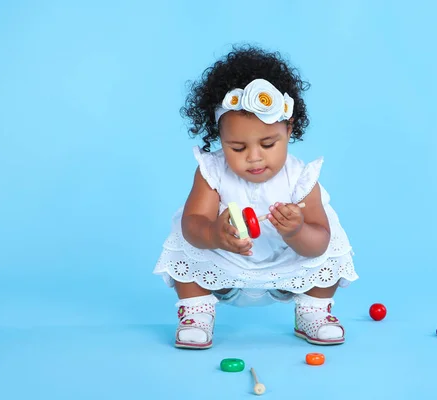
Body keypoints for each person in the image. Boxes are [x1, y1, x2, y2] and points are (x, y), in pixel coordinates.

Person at [153, 44, 359, 349]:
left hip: (288, 269)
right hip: (224, 270)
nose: (254, 158)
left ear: (289, 129)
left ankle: (313, 311)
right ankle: (197, 311)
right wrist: (214, 234)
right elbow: (193, 224)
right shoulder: (212, 173)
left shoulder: (301, 179)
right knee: (185, 243)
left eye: (268, 143)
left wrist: (298, 230)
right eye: (237, 147)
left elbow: (319, 243)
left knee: (332, 249)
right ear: (220, 137)